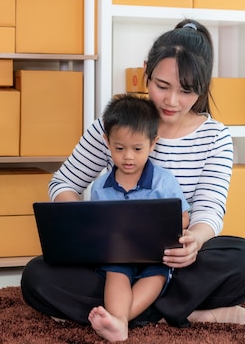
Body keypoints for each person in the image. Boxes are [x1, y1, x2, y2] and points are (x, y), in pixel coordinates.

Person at [21, 19, 245, 330]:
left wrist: (195, 242)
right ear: (146, 70)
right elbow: (64, 183)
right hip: (112, 261)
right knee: (37, 277)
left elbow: (209, 211)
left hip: (174, 262)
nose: (171, 101)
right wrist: (89, 228)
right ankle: (182, 312)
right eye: (162, 86)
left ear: (202, 86)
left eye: (186, 91)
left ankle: (120, 313)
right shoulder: (117, 124)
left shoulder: (216, 137)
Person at [87, 93, 190, 342]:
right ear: (107, 142)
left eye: (137, 149)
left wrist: (161, 227)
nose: (128, 157)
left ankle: (119, 321)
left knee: (156, 275)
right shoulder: (100, 187)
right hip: (119, 254)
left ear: (153, 144)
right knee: (116, 273)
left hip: (155, 254)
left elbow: (184, 218)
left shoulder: (163, 180)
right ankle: (121, 322)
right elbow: (95, 225)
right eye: (119, 148)